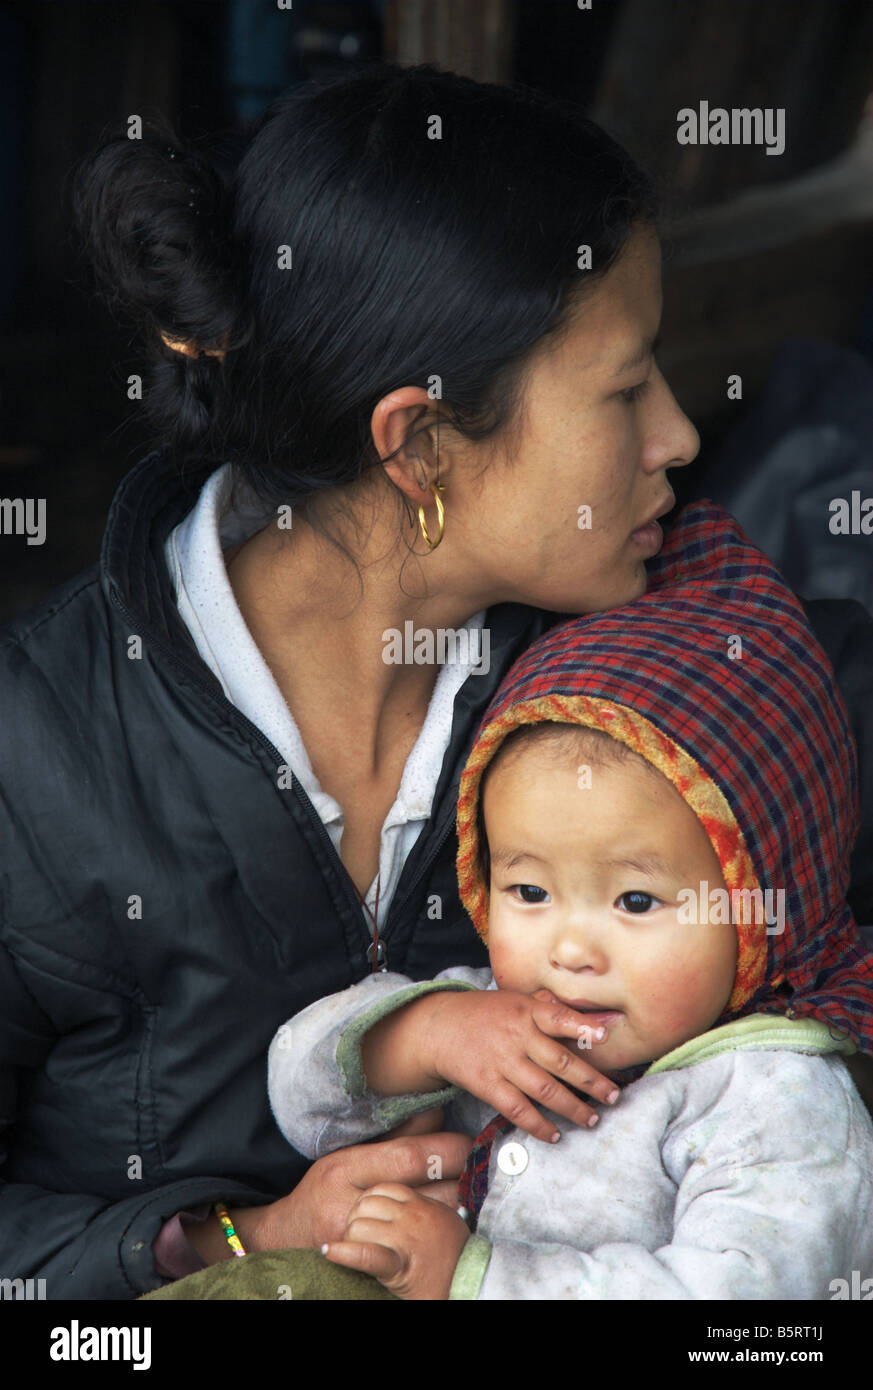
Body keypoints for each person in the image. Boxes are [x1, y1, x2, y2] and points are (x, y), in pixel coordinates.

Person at [2, 62, 873, 1301]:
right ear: (419, 447)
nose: (679, 438)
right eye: (625, 390)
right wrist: (224, 1237)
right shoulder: (32, 753)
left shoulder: (677, 665)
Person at [263, 500, 873, 1300]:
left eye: (635, 902)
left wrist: (478, 1278)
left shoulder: (775, 1100)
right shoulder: (496, 1019)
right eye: (527, 890)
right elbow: (300, 1094)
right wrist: (425, 1034)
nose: (571, 947)